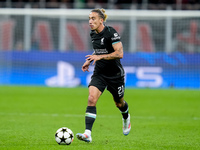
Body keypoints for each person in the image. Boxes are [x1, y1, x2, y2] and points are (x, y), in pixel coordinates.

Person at [76, 8, 131, 143]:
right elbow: (97, 50)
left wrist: (100, 57)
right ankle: (88, 133)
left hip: (115, 75)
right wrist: (89, 60)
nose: (90, 21)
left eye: (93, 18)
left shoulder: (111, 32)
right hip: (100, 73)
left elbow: (119, 54)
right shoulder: (93, 34)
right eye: (89, 18)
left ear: (101, 20)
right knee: (91, 98)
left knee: (119, 103)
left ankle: (126, 117)